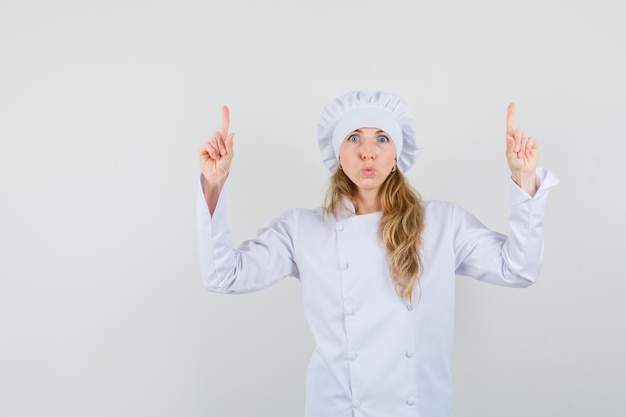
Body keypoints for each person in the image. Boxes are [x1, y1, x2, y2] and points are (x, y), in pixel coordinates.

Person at [196, 91, 559, 417]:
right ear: (337, 152)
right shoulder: (301, 230)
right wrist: (214, 183)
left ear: (397, 153)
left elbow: (519, 271)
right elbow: (223, 276)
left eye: (381, 138)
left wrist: (524, 180)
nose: (367, 151)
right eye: (354, 138)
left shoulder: (443, 223)